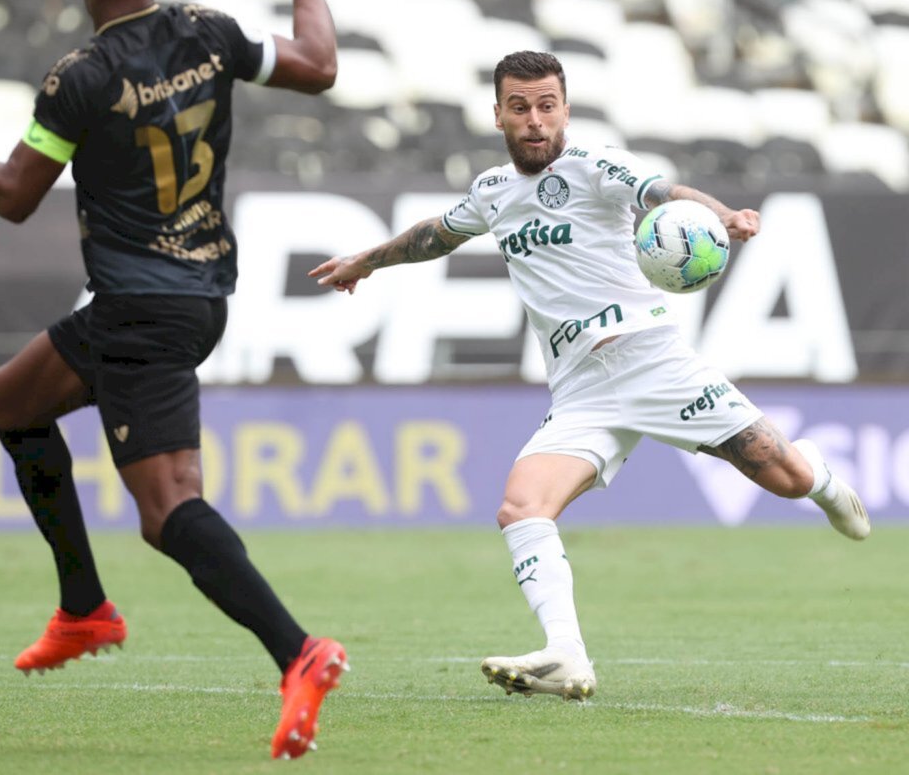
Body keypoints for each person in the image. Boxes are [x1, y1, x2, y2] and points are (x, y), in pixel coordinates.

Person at [0, 0, 346, 761]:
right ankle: (84, 608)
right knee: (13, 402)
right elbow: (319, 62)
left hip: (141, 311)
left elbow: (10, 197)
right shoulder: (212, 32)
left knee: (167, 511)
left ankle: (298, 651)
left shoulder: (78, 81)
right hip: (191, 294)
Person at [309, 49, 870, 702]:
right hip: (581, 390)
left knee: (787, 477)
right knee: (521, 506)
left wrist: (721, 213)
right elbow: (436, 234)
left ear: (566, 110)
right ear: (497, 115)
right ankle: (566, 654)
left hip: (652, 361)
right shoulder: (494, 192)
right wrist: (367, 261)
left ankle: (825, 481)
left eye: (547, 105)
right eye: (520, 107)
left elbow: (666, 194)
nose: (535, 120)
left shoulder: (596, 165)